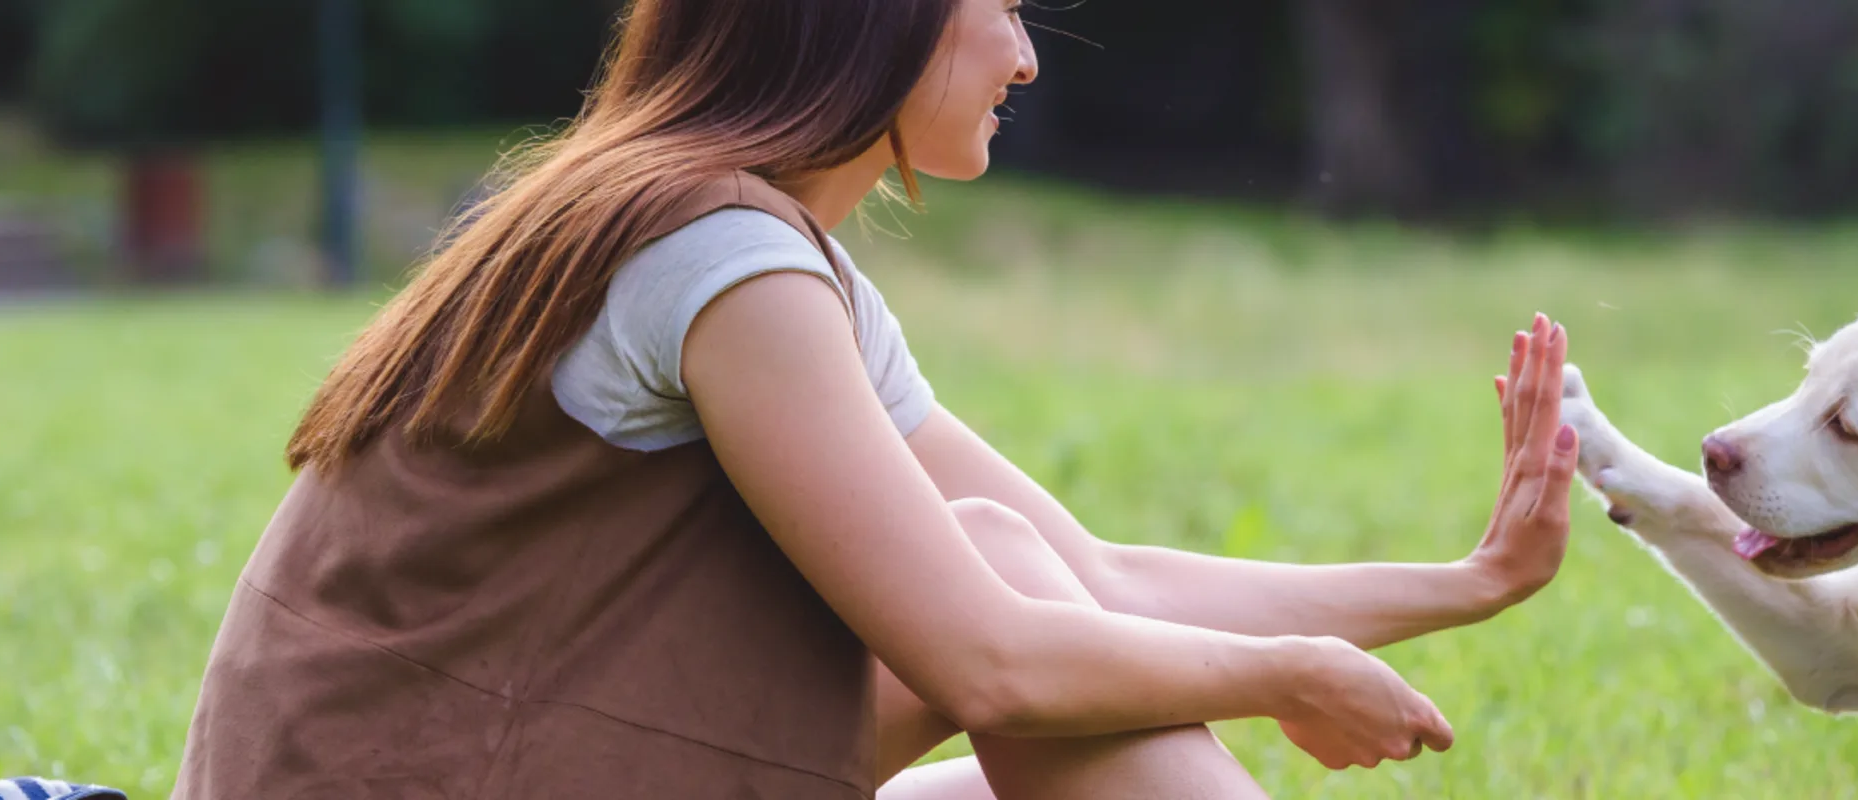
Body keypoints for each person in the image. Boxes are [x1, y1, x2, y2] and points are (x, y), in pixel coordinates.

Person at [167, 0, 1583, 796]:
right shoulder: (712, 255)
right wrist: (1288, 678)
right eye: (1002, 9)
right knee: (1023, 618)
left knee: (1034, 608)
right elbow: (998, 664)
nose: (1027, 57)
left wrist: (1466, 583)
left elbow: (1094, 580)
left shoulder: (755, 248)